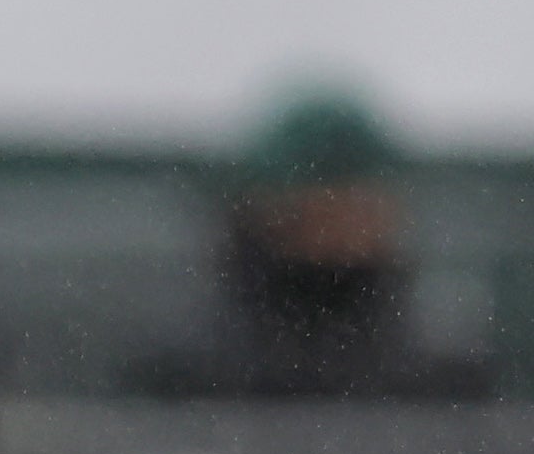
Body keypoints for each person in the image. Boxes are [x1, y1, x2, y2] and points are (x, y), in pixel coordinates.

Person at [135, 89, 497, 406]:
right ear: (263, 210)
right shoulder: (191, 364)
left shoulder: (443, 365)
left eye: (362, 203)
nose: (346, 224)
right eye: (322, 204)